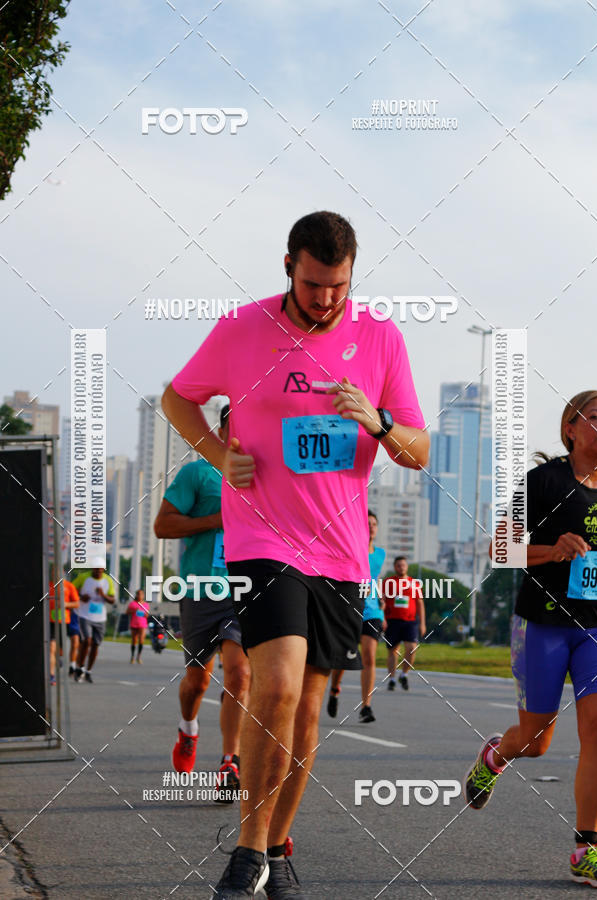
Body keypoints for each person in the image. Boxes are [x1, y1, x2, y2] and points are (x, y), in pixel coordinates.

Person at [161, 211, 428, 898]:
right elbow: (178, 398)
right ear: (289, 267)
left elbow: (418, 451)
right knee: (273, 686)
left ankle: (278, 846)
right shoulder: (241, 329)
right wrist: (222, 457)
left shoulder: (380, 338)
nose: (326, 301)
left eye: (338, 287)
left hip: (341, 552)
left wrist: (380, 420)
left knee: (308, 714)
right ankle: (247, 850)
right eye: (314, 286)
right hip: (265, 539)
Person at [463, 390, 597, 888]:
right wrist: (552, 550)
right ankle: (496, 755)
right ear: (571, 428)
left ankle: (588, 848)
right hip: (542, 622)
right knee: (537, 742)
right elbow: (502, 546)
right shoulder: (543, 482)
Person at [154, 404, 250, 802]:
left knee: (240, 675)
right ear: (223, 426)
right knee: (197, 682)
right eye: (237, 419)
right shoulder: (198, 472)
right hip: (200, 589)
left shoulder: (266, 474)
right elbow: (163, 526)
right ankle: (188, 729)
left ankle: (231, 760)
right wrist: (217, 520)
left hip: (245, 589)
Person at [326, 510, 386, 723]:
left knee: (369, 657)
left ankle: (366, 706)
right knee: (345, 657)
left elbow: (374, 580)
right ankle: (334, 689)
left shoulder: (381, 554)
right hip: (350, 607)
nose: (371, 526)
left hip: (372, 610)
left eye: (374, 523)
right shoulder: (351, 548)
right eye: (367, 523)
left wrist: (383, 607)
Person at [382, 556, 425, 691]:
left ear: (407, 567)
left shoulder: (414, 584)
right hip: (392, 621)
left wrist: (422, 623)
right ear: (395, 567)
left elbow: (420, 603)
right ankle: (392, 679)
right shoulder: (388, 582)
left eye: (404, 565)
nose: (401, 567)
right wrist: (381, 618)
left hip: (410, 621)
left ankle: (404, 674)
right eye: (399, 565)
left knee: (411, 647)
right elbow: (382, 601)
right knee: (393, 652)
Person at [72, 562, 116, 683]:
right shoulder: (83, 577)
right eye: (96, 569)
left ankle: (88, 671)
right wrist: (81, 596)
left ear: (103, 569)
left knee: (96, 644)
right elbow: (71, 590)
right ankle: (80, 667)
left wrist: (103, 595)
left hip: (100, 617)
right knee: (87, 640)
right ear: (92, 568)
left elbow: (112, 600)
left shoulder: (108, 580)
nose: (98, 572)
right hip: (84, 615)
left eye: (100, 570)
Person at [49, 574, 79, 686]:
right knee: (51, 648)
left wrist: (65, 604)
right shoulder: (48, 586)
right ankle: (52, 676)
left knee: (59, 651)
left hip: (63, 622)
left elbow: (77, 603)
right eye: (53, 571)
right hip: (50, 621)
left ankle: (58, 659)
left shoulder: (69, 586)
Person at [127, 588, 149, 664]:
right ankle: (132, 656)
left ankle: (139, 656)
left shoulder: (146, 604)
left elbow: (147, 615)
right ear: (136, 595)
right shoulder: (132, 604)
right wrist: (134, 610)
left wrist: (145, 614)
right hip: (134, 624)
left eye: (141, 594)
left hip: (142, 624)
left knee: (141, 640)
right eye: (138, 594)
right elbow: (127, 612)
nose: (140, 595)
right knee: (134, 640)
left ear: (143, 595)